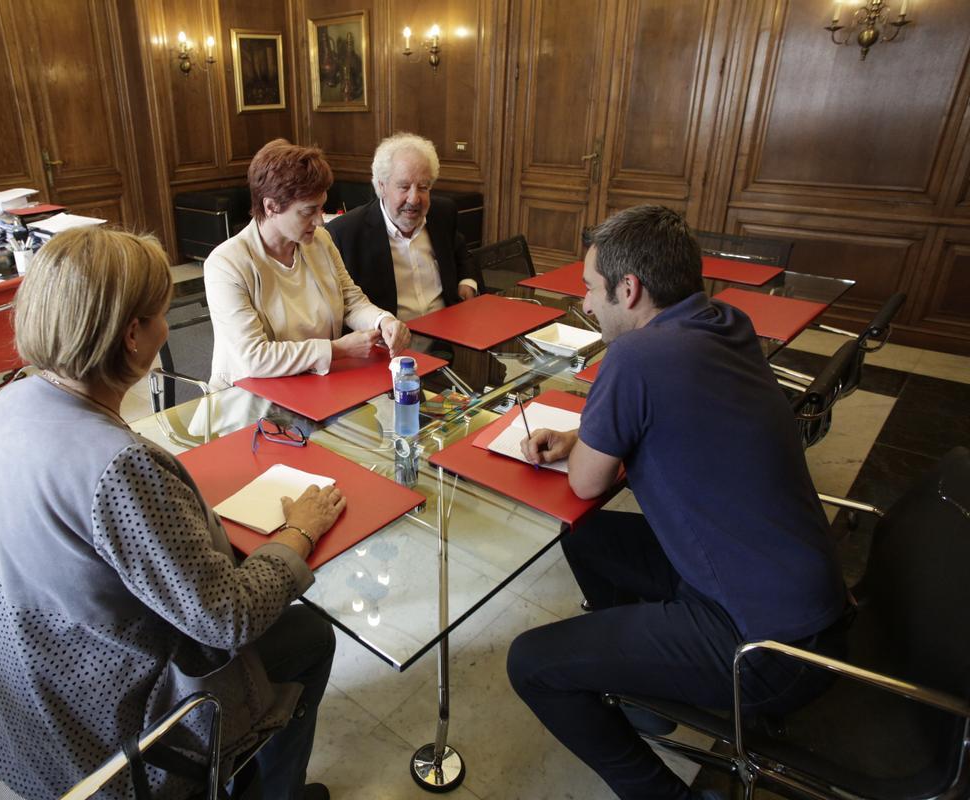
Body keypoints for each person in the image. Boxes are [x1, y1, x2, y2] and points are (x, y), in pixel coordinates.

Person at [0, 226, 341, 800]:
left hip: (28, 708)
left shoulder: (10, 403)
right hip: (109, 743)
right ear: (134, 336)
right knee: (310, 633)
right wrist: (298, 529)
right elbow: (228, 619)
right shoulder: (120, 467)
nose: (168, 327)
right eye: (163, 313)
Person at [506, 206, 849, 800]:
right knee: (584, 533)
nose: (586, 304)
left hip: (761, 645)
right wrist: (580, 438)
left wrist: (584, 443)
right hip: (806, 604)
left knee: (531, 663)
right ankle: (633, 684)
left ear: (629, 289)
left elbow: (587, 482)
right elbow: (666, 421)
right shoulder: (725, 321)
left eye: (590, 289)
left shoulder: (635, 357)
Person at [205, 138, 410, 390]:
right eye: (308, 211)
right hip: (248, 401)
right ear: (270, 207)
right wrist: (336, 350)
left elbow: (350, 300)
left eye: (322, 208)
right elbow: (253, 358)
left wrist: (382, 321)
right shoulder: (226, 264)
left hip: (316, 388)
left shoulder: (320, 241)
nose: (320, 221)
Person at [326, 132, 480, 322]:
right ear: (381, 186)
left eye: (423, 187)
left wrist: (467, 282)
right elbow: (341, 305)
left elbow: (462, 255)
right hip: (390, 343)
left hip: (448, 335)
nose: (414, 199)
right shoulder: (346, 233)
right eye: (404, 187)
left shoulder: (442, 213)